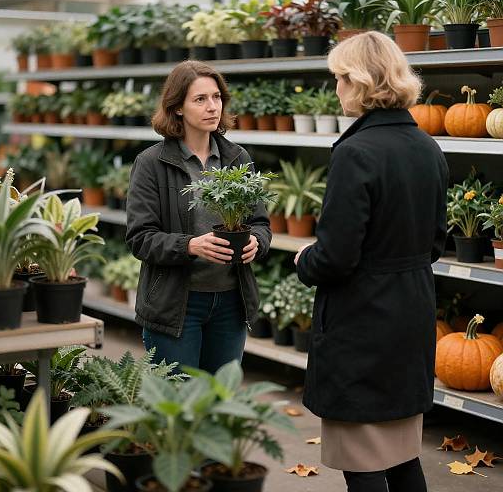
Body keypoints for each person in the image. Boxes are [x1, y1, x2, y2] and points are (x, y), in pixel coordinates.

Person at [294, 31, 449, 492]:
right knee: (402, 457)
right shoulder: (427, 148)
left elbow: (338, 257)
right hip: (412, 314)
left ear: (360, 81)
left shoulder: (355, 152)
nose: (336, 88)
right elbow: (436, 242)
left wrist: (306, 260)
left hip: (361, 324)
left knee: (360, 461)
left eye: (340, 78)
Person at [126, 60, 271, 374]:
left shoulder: (237, 158)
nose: (212, 107)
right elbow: (140, 238)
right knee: (179, 405)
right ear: (177, 107)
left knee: (220, 402)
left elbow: (260, 222)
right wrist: (190, 246)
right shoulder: (151, 163)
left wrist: (257, 243)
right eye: (200, 99)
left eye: (216, 97)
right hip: (177, 306)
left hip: (231, 303)